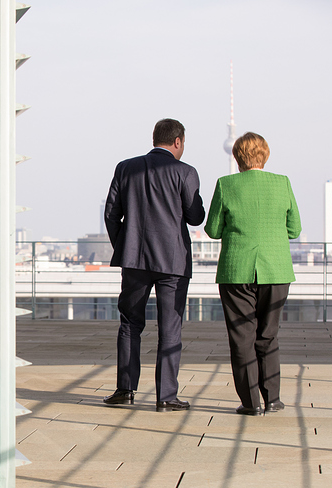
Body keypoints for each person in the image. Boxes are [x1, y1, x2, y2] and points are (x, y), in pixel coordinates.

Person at [103, 118, 205, 412]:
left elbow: (111, 214)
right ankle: (166, 396)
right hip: (173, 261)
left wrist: (125, 245)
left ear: (154, 138)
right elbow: (196, 217)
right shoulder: (185, 172)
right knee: (170, 328)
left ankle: (125, 390)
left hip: (134, 259)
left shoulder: (126, 167)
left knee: (130, 323)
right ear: (178, 142)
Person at [205, 132, 301, 416]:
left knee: (242, 337)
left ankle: (251, 403)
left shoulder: (226, 184)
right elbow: (294, 229)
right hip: (276, 269)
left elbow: (212, 230)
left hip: (237, 270)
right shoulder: (282, 183)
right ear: (265, 155)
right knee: (268, 335)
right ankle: (273, 399)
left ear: (237, 158)